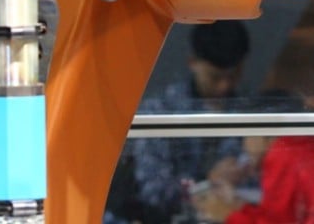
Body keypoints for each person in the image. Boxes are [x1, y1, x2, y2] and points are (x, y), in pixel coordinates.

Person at [106, 20, 253, 224]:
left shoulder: (247, 111)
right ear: (192, 62)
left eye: (234, 76)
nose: (224, 87)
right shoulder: (161, 113)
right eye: (214, 77)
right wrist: (207, 182)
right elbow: (154, 191)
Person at [191, 91, 314, 224]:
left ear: (262, 131)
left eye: (245, 136)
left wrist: (226, 213)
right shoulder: (313, 143)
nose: (245, 147)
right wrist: (238, 206)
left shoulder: (284, 154)